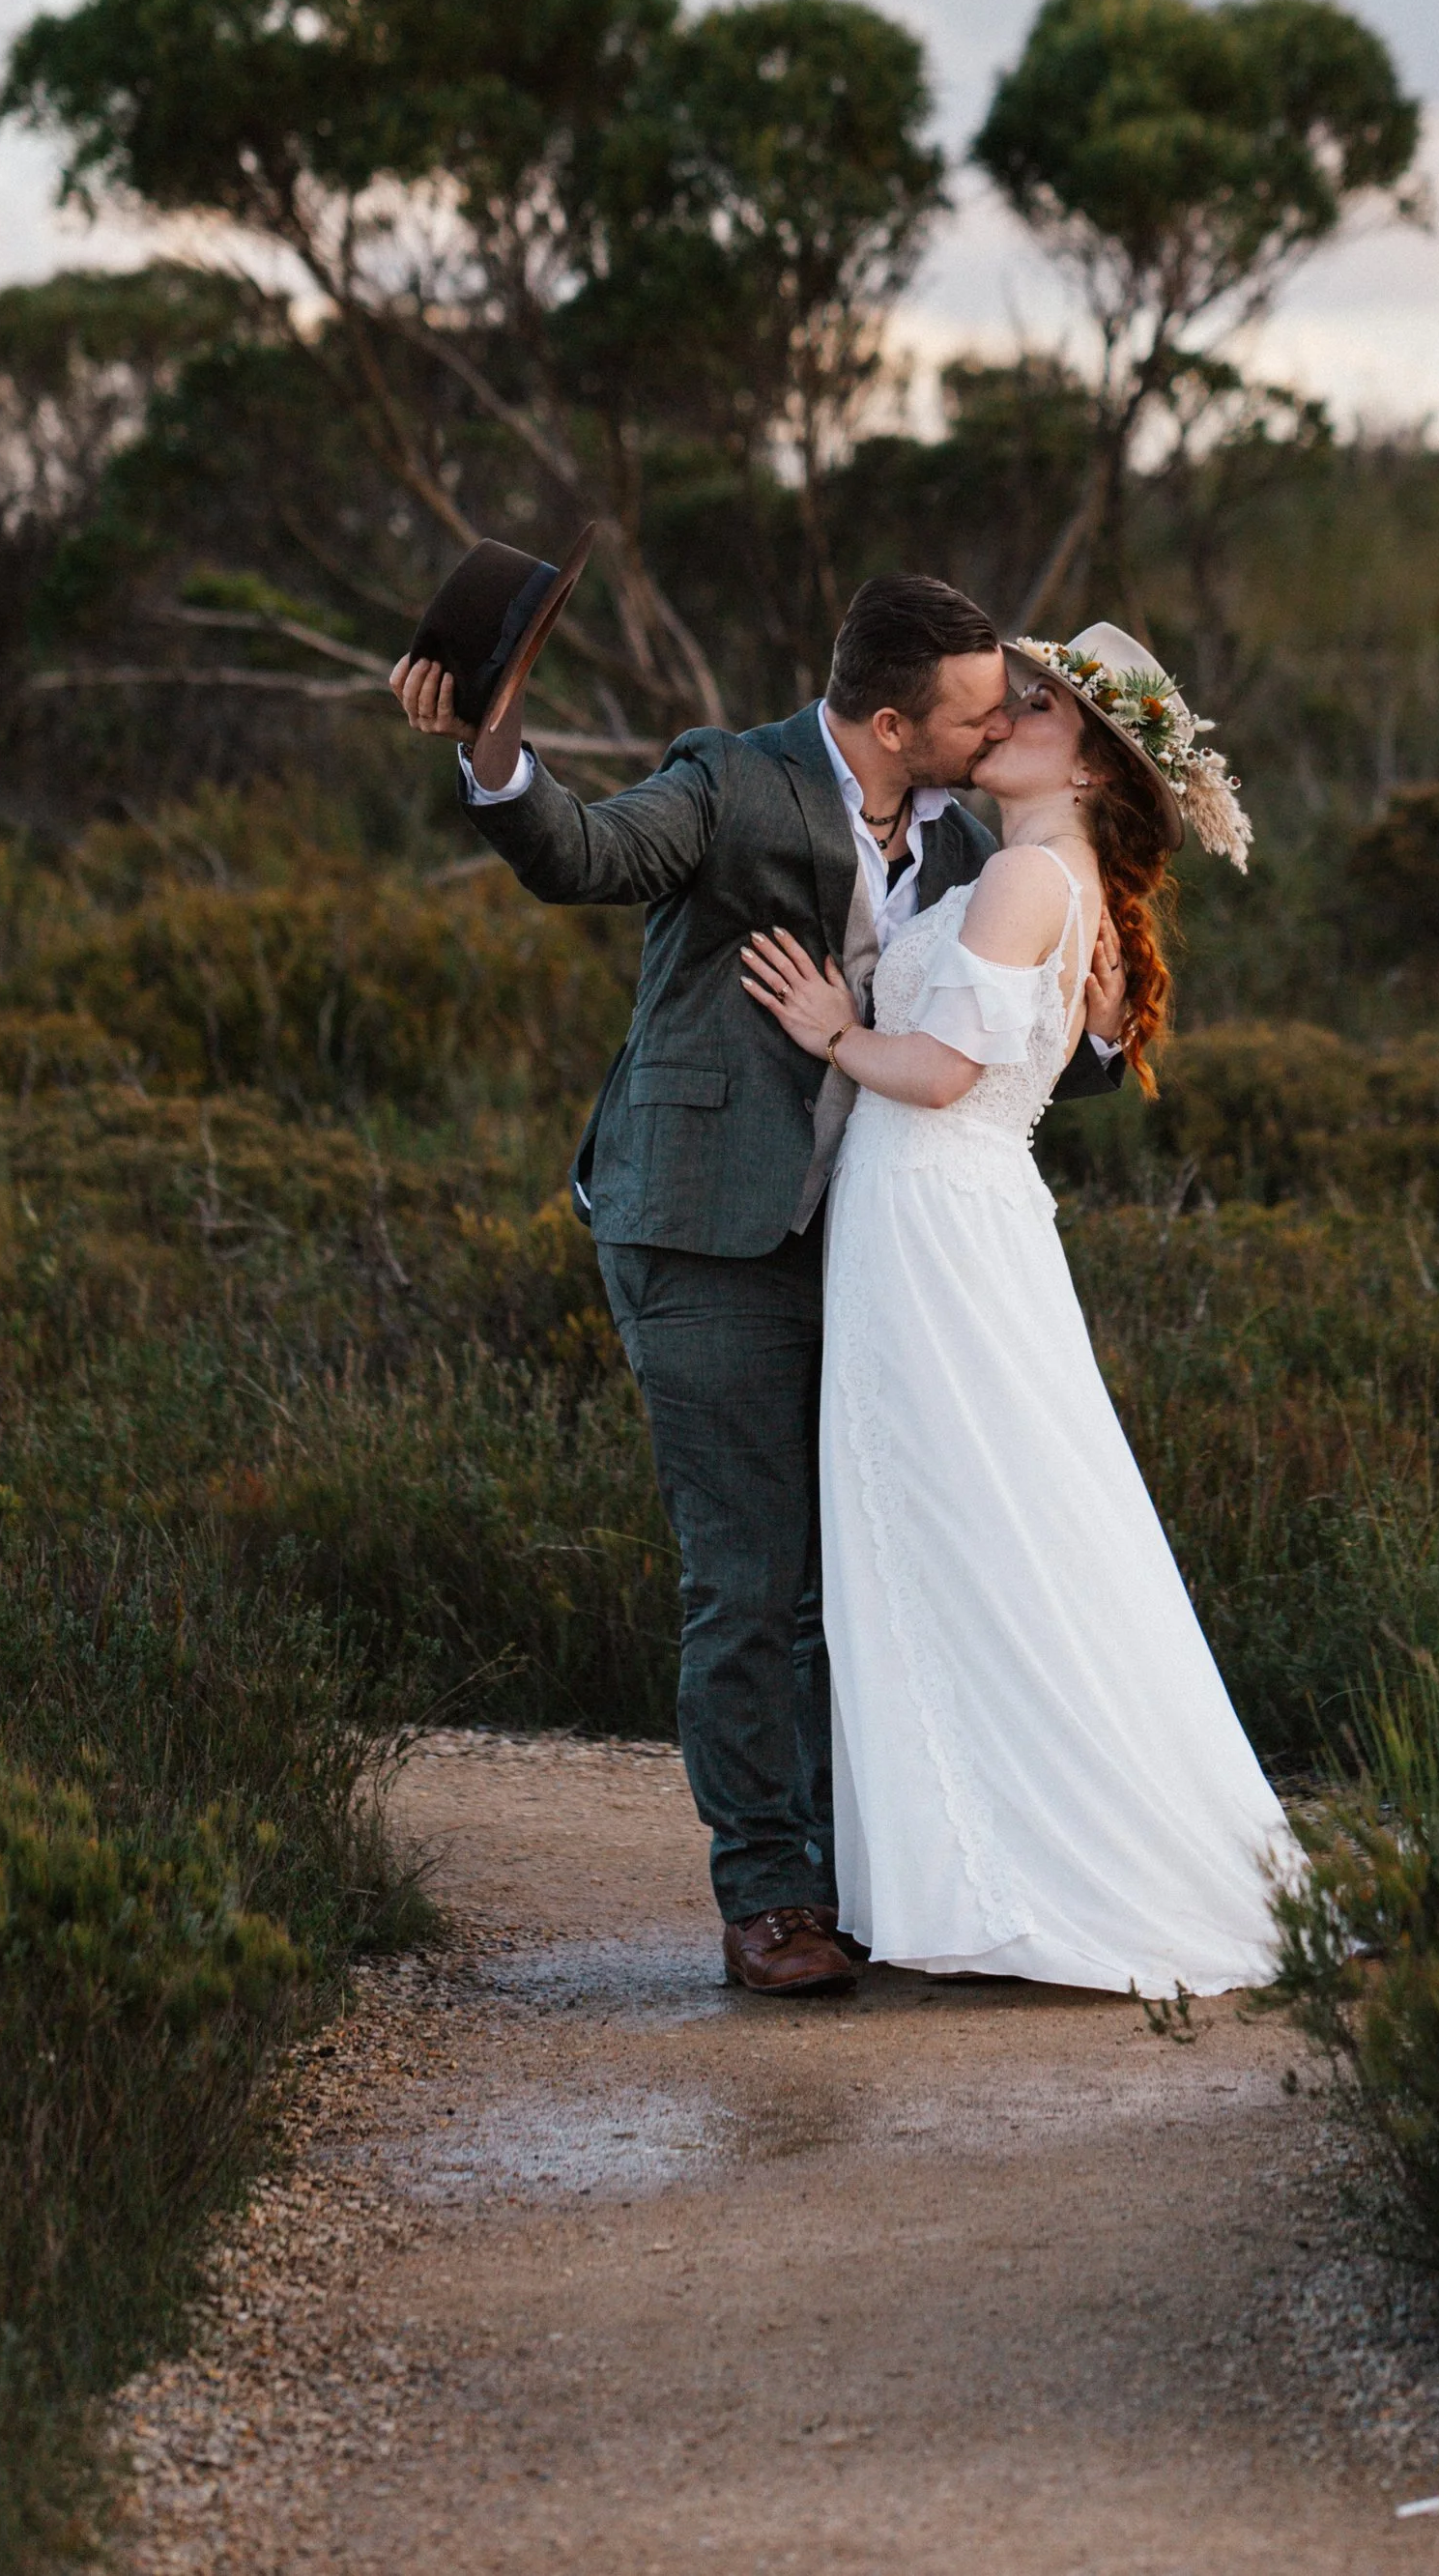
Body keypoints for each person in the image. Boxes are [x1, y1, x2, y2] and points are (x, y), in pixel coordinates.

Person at [389, 575, 1128, 1997]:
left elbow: (1010, 1023)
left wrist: (1102, 1009)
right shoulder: (730, 781)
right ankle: (770, 1897)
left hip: (880, 1252)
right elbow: (582, 853)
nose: (1002, 729)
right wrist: (492, 749)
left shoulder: (976, 836)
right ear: (899, 721)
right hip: (701, 1230)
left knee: (850, 1571)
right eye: (981, 712)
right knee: (750, 1571)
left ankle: (862, 1876)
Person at [737, 622, 1304, 1992]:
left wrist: (830, 1029)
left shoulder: (1027, 884)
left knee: (957, 1519)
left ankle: (1004, 1870)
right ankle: (969, 1856)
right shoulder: (1046, 876)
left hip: (935, 1210)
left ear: (1096, 765)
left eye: (1041, 710)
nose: (1008, 718)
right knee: (981, 1519)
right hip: (951, 1216)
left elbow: (939, 1070)